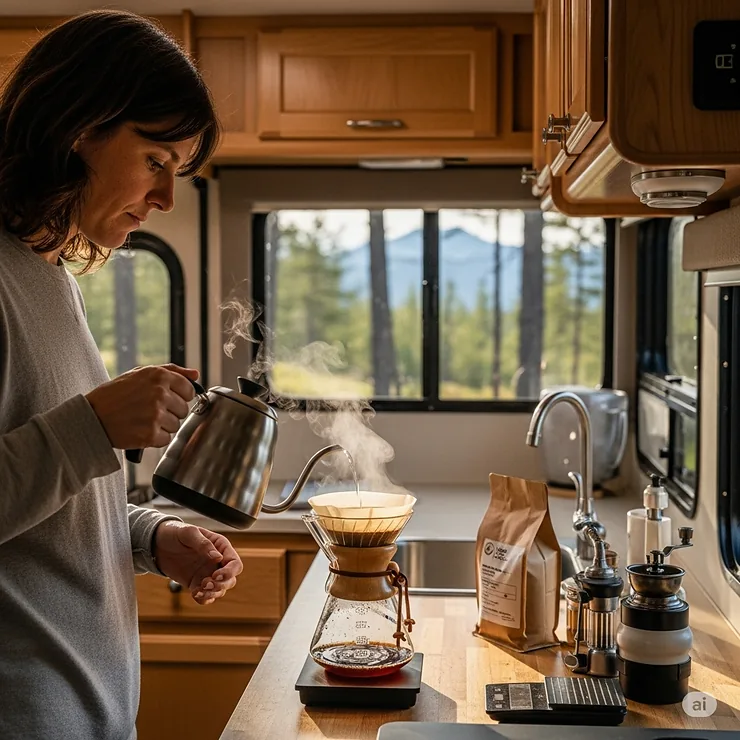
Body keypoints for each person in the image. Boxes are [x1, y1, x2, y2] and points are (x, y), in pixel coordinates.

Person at [0, 10, 244, 739]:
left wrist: (148, 537)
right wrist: (95, 425)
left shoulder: (48, 277)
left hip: (89, 714)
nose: (167, 199)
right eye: (156, 162)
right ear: (81, 127)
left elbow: (48, 504)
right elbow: (64, 446)